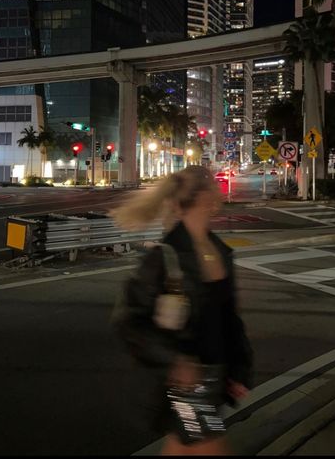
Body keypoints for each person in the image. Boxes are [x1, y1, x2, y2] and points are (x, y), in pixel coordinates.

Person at [111, 166, 253, 455]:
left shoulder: (220, 251)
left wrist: (239, 368)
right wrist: (176, 362)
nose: (220, 191)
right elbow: (129, 320)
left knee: (182, 448)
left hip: (213, 375)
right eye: (214, 186)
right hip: (187, 382)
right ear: (203, 198)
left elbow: (228, 317)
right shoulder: (165, 257)